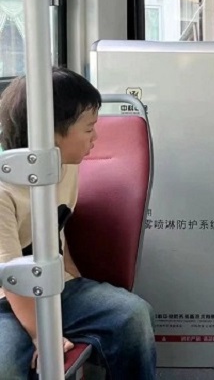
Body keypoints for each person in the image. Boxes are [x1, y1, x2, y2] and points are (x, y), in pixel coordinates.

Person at [0, 68, 157, 379]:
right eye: (89, 129)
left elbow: (58, 227)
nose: (96, 138)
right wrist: (41, 335)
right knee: (6, 367)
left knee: (134, 316)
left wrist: (76, 279)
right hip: (8, 301)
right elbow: (9, 276)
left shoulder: (64, 164)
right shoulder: (4, 188)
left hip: (57, 288)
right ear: (51, 134)